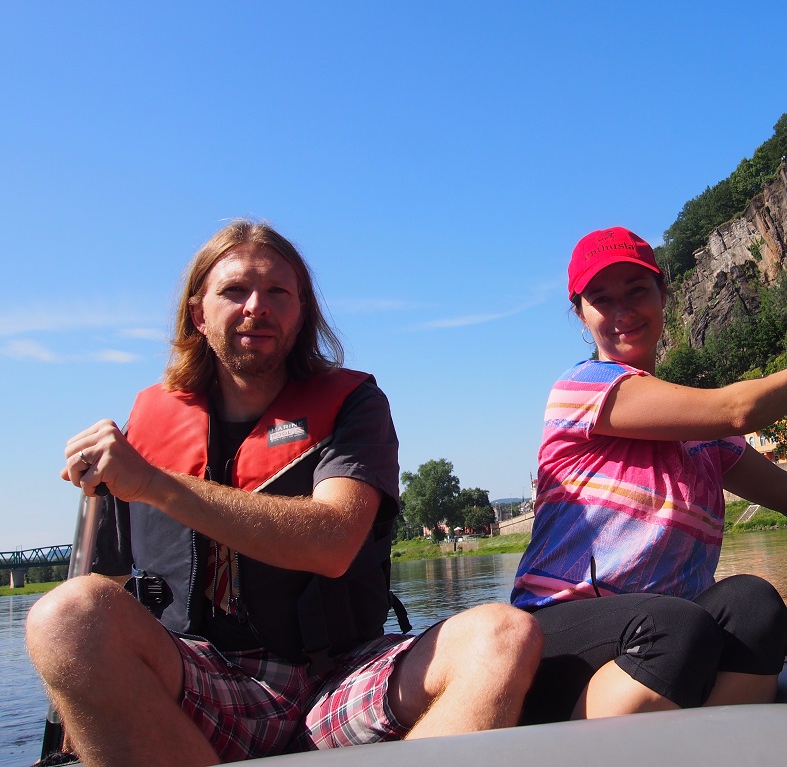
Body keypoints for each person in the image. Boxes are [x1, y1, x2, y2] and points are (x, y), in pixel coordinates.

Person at [27, 220, 542, 767]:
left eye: (278, 292)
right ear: (199, 315)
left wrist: (156, 483)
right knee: (64, 618)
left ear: (301, 316)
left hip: (340, 672)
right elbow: (104, 587)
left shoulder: (355, 407)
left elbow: (334, 540)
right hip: (209, 679)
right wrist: (83, 703)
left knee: (503, 635)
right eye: (234, 291)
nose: (257, 306)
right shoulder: (142, 430)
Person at [511, 226, 787, 723]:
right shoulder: (582, 389)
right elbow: (739, 409)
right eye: (602, 299)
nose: (622, 312)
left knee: (754, 606)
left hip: (665, 639)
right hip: (557, 638)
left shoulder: (698, 433)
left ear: (664, 293)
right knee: (673, 625)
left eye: (637, 290)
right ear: (581, 313)